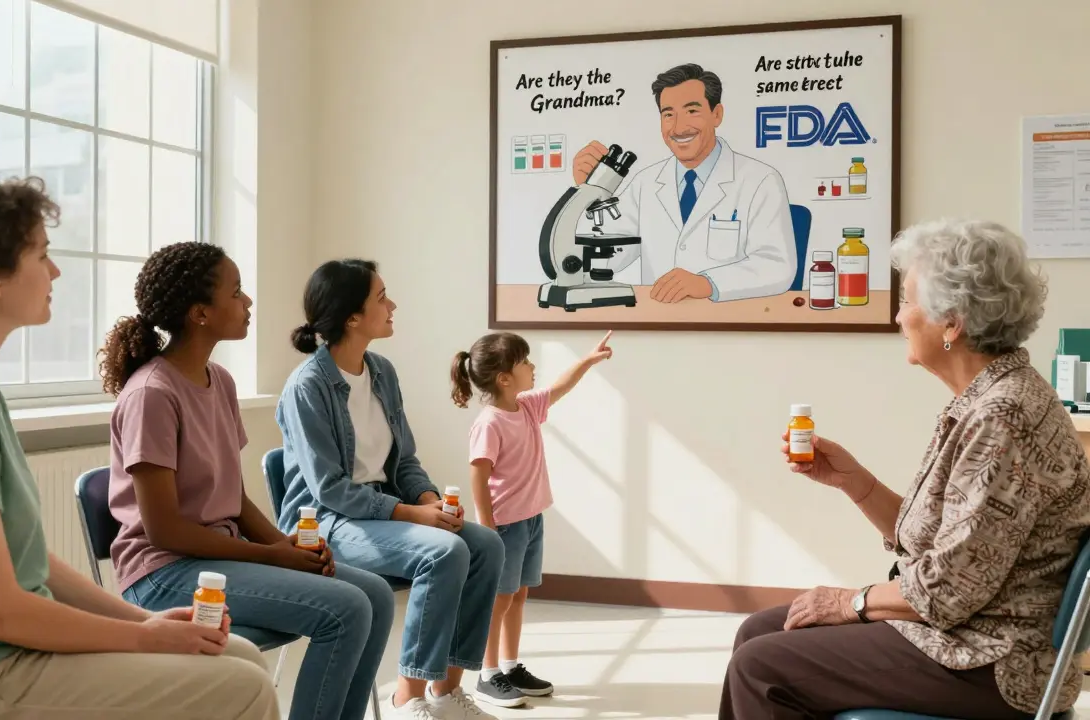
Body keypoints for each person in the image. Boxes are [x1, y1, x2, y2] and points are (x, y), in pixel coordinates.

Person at [0, 176, 277, 720]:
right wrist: (145, 640)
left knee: (237, 658)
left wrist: (144, 622)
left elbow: (28, 563)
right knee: (243, 688)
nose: (54, 271)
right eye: (41, 255)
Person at [719, 219, 1090, 719]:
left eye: (908, 301)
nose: (898, 316)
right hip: (969, 631)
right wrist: (857, 483)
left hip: (995, 660)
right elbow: (946, 543)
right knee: (760, 632)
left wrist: (852, 601)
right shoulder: (985, 400)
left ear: (952, 323)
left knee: (761, 665)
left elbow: (951, 589)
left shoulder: (1004, 417)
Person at [100, 242, 394, 720]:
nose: (248, 301)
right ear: (199, 313)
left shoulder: (220, 381)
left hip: (217, 557)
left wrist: (287, 547)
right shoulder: (153, 395)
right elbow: (164, 531)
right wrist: (271, 555)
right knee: (346, 609)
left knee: (375, 595)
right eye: (236, 292)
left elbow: (231, 495)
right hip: (163, 575)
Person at [276, 258, 507, 720]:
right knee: (443, 553)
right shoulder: (308, 386)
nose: (393, 304)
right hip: (325, 523)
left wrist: (427, 500)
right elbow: (330, 489)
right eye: (381, 297)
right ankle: (408, 696)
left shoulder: (381, 371)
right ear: (352, 317)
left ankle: (445, 693)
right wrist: (411, 515)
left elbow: (404, 461)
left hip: (380, 511)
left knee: (484, 544)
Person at [449, 330, 613, 707]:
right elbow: (478, 474)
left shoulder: (525, 406)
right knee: (500, 600)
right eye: (524, 362)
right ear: (504, 377)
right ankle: (487, 675)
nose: (532, 366)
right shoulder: (489, 422)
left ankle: (509, 666)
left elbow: (560, 387)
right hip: (505, 524)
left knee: (518, 596)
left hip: (531, 519)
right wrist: (487, 527)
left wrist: (587, 361)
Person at [570, 63, 796, 304]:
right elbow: (602, 260)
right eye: (668, 114)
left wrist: (708, 283)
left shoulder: (760, 179)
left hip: (732, 325)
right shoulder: (646, 183)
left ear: (716, 114)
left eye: (692, 111)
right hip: (661, 324)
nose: (678, 127)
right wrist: (586, 193)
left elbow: (776, 266)